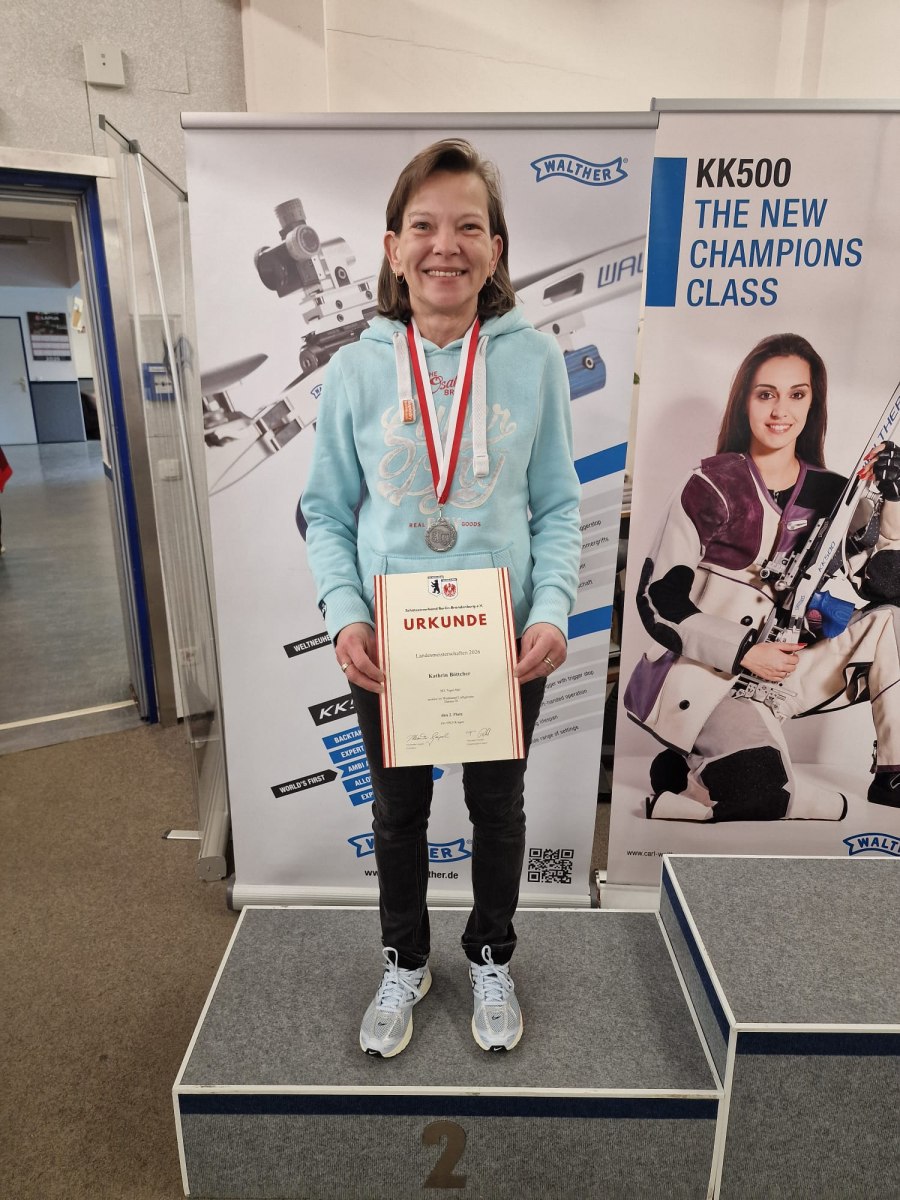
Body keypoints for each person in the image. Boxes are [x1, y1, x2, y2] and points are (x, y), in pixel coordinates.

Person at [302, 139, 581, 1056]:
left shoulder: (534, 361)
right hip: (393, 641)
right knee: (398, 814)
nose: (445, 246)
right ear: (393, 248)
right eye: (423, 226)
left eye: (468, 226)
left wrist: (552, 611)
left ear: (496, 249)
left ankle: (492, 953)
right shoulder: (355, 370)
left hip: (502, 640)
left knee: (498, 810)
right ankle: (406, 960)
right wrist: (346, 614)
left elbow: (557, 505)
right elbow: (325, 511)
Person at [623, 332, 900, 822]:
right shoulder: (711, 485)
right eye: (766, 394)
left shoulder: (833, 493)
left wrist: (894, 498)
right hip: (711, 677)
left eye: (797, 394)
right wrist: (745, 650)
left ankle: (894, 773)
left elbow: (887, 582)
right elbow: (657, 599)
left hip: (789, 675)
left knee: (893, 621)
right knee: (760, 792)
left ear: (813, 404)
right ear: (744, 401)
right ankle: (695, 781)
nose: (780, 410)